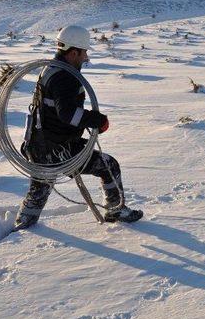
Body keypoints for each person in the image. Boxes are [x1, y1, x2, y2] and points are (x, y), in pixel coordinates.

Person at [14, 25, 143, 231]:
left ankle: (21, 229)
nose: (86, 57)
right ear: (73, 52)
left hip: (41, 144)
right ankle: (115, 208)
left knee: (38, 192)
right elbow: (68, 114)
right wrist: (97, 120)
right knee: (108, 166)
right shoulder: (65, 77)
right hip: (56, 149)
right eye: (84, 53)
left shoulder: (52, 69)